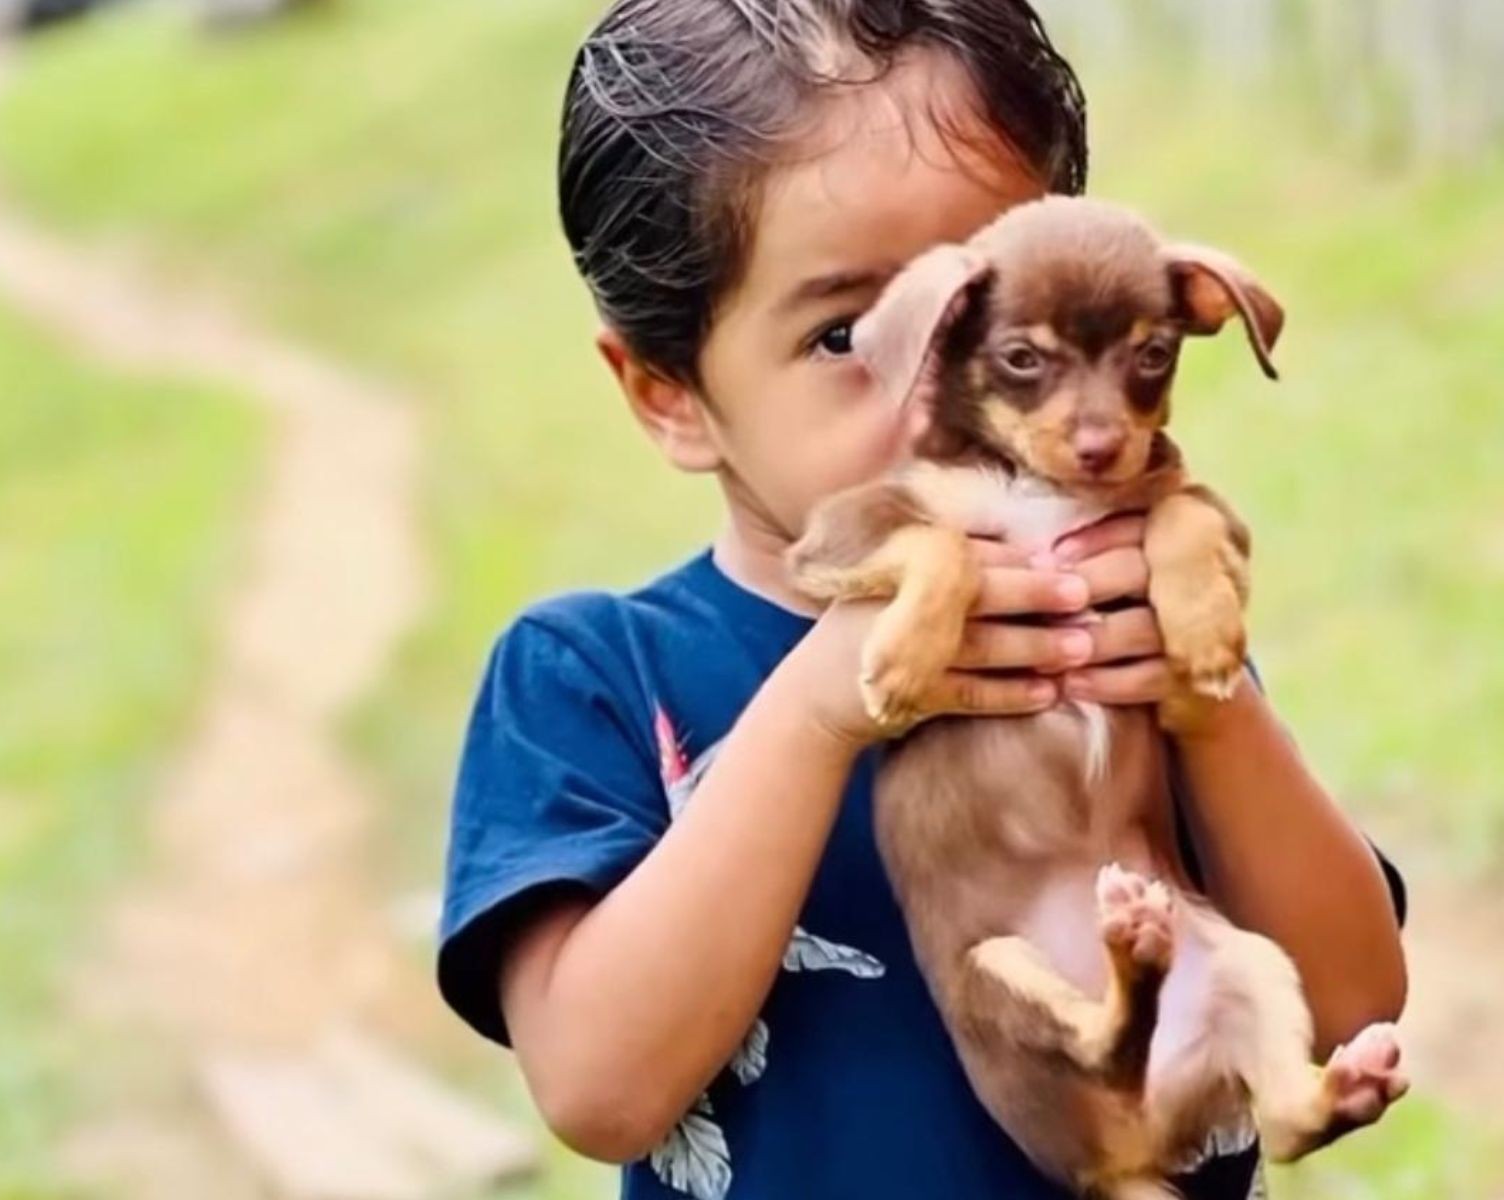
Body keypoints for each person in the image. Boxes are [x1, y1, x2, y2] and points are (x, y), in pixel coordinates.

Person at [437, 4, 1408, 1197]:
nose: (933, 375)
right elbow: (601, 1089)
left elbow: (1349, 997)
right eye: (846, 332)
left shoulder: (1128, 622)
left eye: (986, 316)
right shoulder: (594, 676)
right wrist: (816, 713)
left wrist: (1205, 701)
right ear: (666, 391)